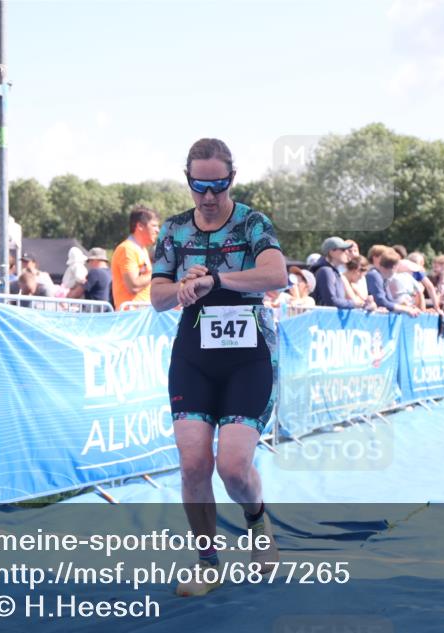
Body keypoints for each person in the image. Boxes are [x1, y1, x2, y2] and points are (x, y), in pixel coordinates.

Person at [150, 138, 286, 597]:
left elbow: (276, 275)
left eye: (219, 184)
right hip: (195, 355)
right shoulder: (173, 231)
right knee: (192, 465)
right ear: (188, 180)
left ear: (232, 178)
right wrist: (183, 288)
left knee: (231, 468)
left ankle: (256, 517)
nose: (209, 196)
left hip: (248, 356)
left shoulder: (252, 223)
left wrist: (216, 279)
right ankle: (208, 562)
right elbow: (156, 297)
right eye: (200, 185)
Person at [113, 206, 160, 308]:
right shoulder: (127, 249)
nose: (158, 230)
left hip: (141, 316)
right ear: (140, 226)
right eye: (154, 226)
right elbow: (133, 286)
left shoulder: (142, 250)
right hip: (130, 317)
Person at [365, 245, 418, 315]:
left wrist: (405, 306)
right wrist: (405, 309)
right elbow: (381, 301)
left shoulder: (384, 278)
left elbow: (388, 300)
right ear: (395, 267)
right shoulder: (374, 275)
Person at [311, 237, 358, 309]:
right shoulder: (325, 271)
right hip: (324, 319)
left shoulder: (332, 271)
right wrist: (355, 304)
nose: (347, 252)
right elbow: (331, 301)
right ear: (331, 252)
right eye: (343, 249)